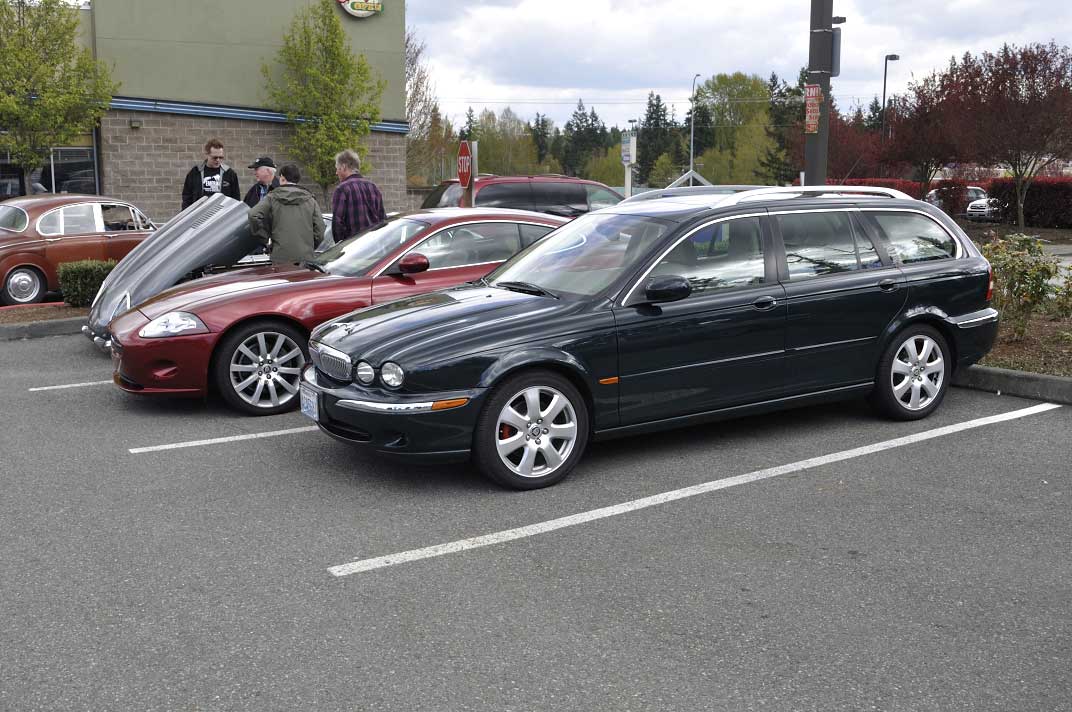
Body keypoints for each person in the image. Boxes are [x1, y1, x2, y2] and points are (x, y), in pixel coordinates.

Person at [248, 164, 325, 264]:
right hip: (305, 258)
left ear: (282, 178)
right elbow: (320, 229)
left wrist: (265, 238)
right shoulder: (310, 199)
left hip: (280, 256)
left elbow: (253, 215)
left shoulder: (272, 197)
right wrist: (309, 245)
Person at [331, 148, 385, 242]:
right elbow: (382, 219)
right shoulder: (373, 187)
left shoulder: (342, 189)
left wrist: (340, 247)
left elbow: (337, 223)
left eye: (337, 169)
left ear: (344, 167)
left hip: (353, 248)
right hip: (375, 246)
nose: (336, 173)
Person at [181, 138, 241, 209]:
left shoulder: (229, 173)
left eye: (221, 157)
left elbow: (236, 199)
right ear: (207, 154)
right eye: (215, 157)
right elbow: (187, 197)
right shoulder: (195, 172)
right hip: (199, 213)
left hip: (222, 214)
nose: (218, 160)